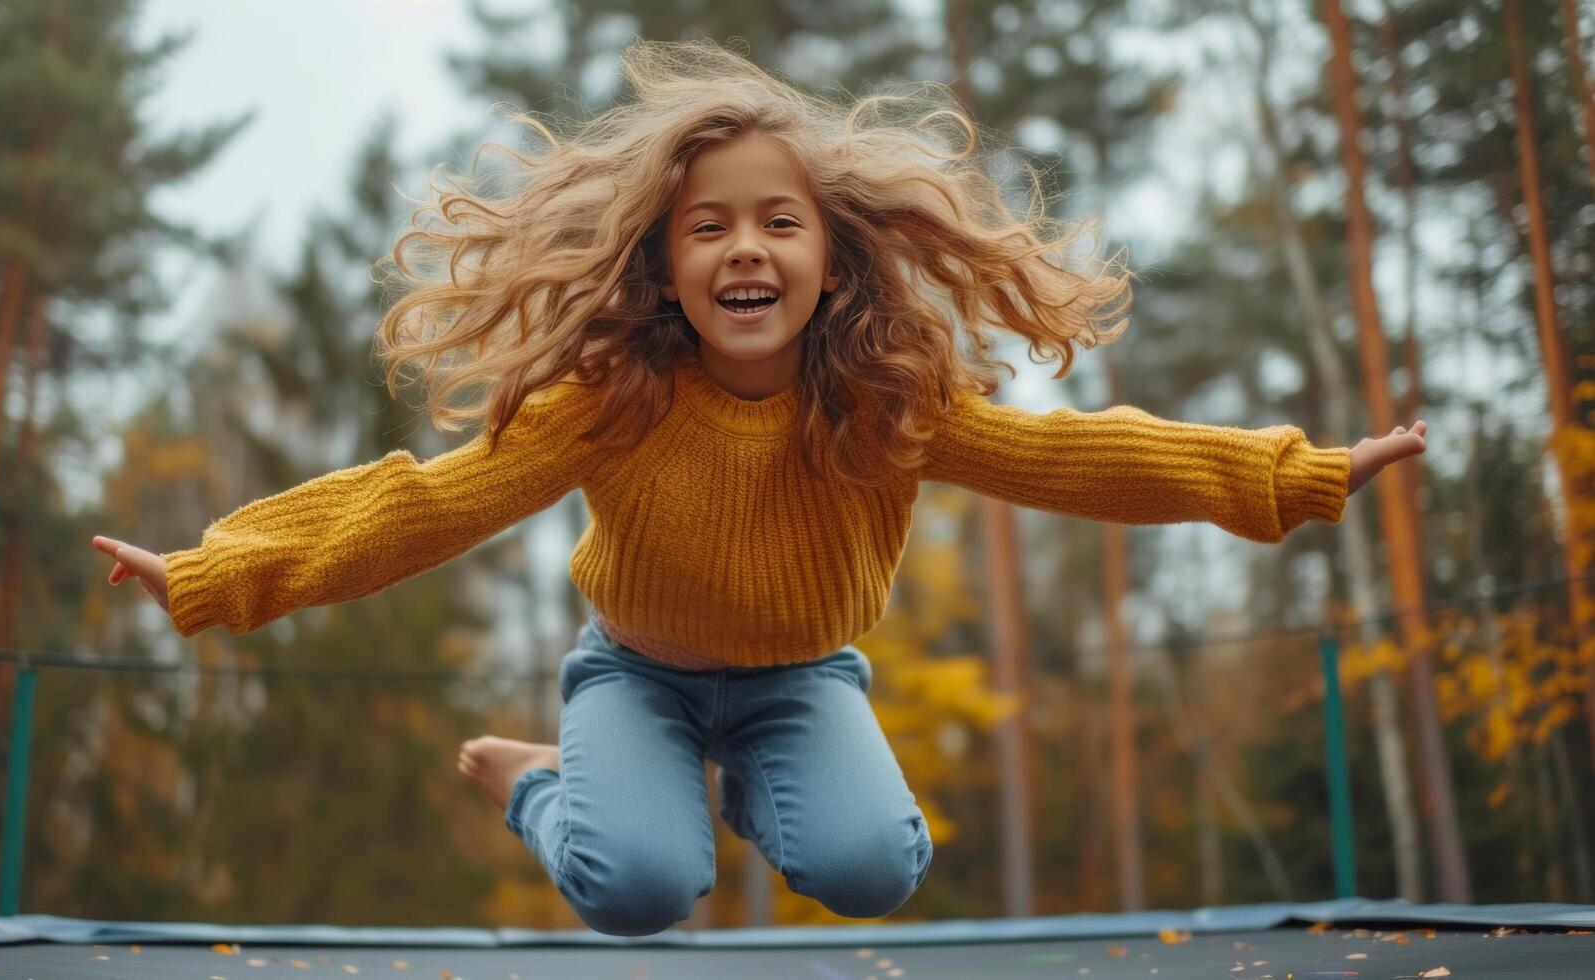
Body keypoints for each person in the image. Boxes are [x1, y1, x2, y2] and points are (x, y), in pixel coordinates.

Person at [92, 40, 1427, 936]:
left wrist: (1290, 475)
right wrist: (221, 571)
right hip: (634, 675)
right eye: (708, 227)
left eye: (777, 224)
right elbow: (422, 502)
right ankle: (545, 786)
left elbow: (1087, 458)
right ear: (664, 265)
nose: (744, 248)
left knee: (871, 869)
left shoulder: (889, 405)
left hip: (800, 679)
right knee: (638, 891)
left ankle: (723, 781)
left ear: (832, 262)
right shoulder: (608, 407)